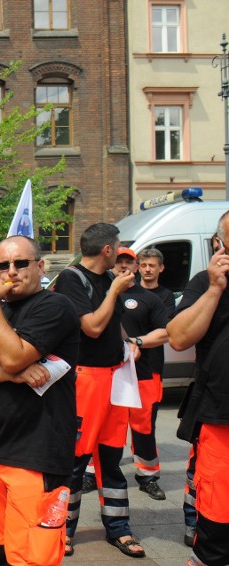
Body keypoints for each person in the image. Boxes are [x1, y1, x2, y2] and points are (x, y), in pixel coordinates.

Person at [0, 235, 80, 565]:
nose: (11, 272)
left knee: (30, 556)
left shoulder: (55, 306)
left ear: (40, 266)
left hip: (38, 454)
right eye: (2, 266)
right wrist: (11, 374)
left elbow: (12, 356)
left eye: (20, 263)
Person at [53, 223, 145, 558]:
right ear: (107, 249)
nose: (119, 253)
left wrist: (128, 342)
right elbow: (91, 327)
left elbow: (112, 323)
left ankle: (119, 529)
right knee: (76, 461)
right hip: (85, 380)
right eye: (117, 247)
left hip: (115, 378)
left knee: (111, 458)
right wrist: (114, 292)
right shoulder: (71, 278)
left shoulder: (109, 280)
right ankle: (63, 530)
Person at [167, 211, 229, 566]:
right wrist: (215, 288)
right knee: (218, 528)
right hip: (221, 419)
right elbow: (178, 337)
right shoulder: (205, 283)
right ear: (218, 245)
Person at [115, 248, 171, 500]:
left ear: (135, 267)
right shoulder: (101, 296)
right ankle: (94, 473)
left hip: (145, 372)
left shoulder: (152, 299)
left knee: (144, 427)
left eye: (130, 262)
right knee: (107, 428)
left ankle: (148, 476)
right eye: (119, 261)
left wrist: (135, 342)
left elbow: (166, 332)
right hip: (110, 373)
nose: (124, 266)